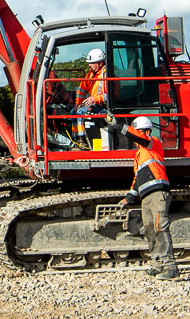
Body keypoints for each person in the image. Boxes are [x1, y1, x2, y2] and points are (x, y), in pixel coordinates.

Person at [121, 115, 178, 279]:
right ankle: (157, 263)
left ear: (146, 131)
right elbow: (137, 180)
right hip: (146, 197)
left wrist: (119, 125)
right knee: (150, 231)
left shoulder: (153, 143)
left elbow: (138, 136)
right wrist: (129, 198)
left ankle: (170, 267)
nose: (135, 137)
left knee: (161, 228)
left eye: (138, 132)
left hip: (158, 194)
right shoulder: (139, 155)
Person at [75, 48, 109, 148]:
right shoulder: (91, 74)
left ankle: (82, 142)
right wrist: (78, 103)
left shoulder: (106, 74)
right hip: (95, 105)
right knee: (74, 112)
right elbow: (81, 89)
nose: (89, 65)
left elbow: (109, 96)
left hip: (104, 107)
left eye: (92, 63)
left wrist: (94, 99)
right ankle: (76, 140)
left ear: (100, 63)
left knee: (81, 113)